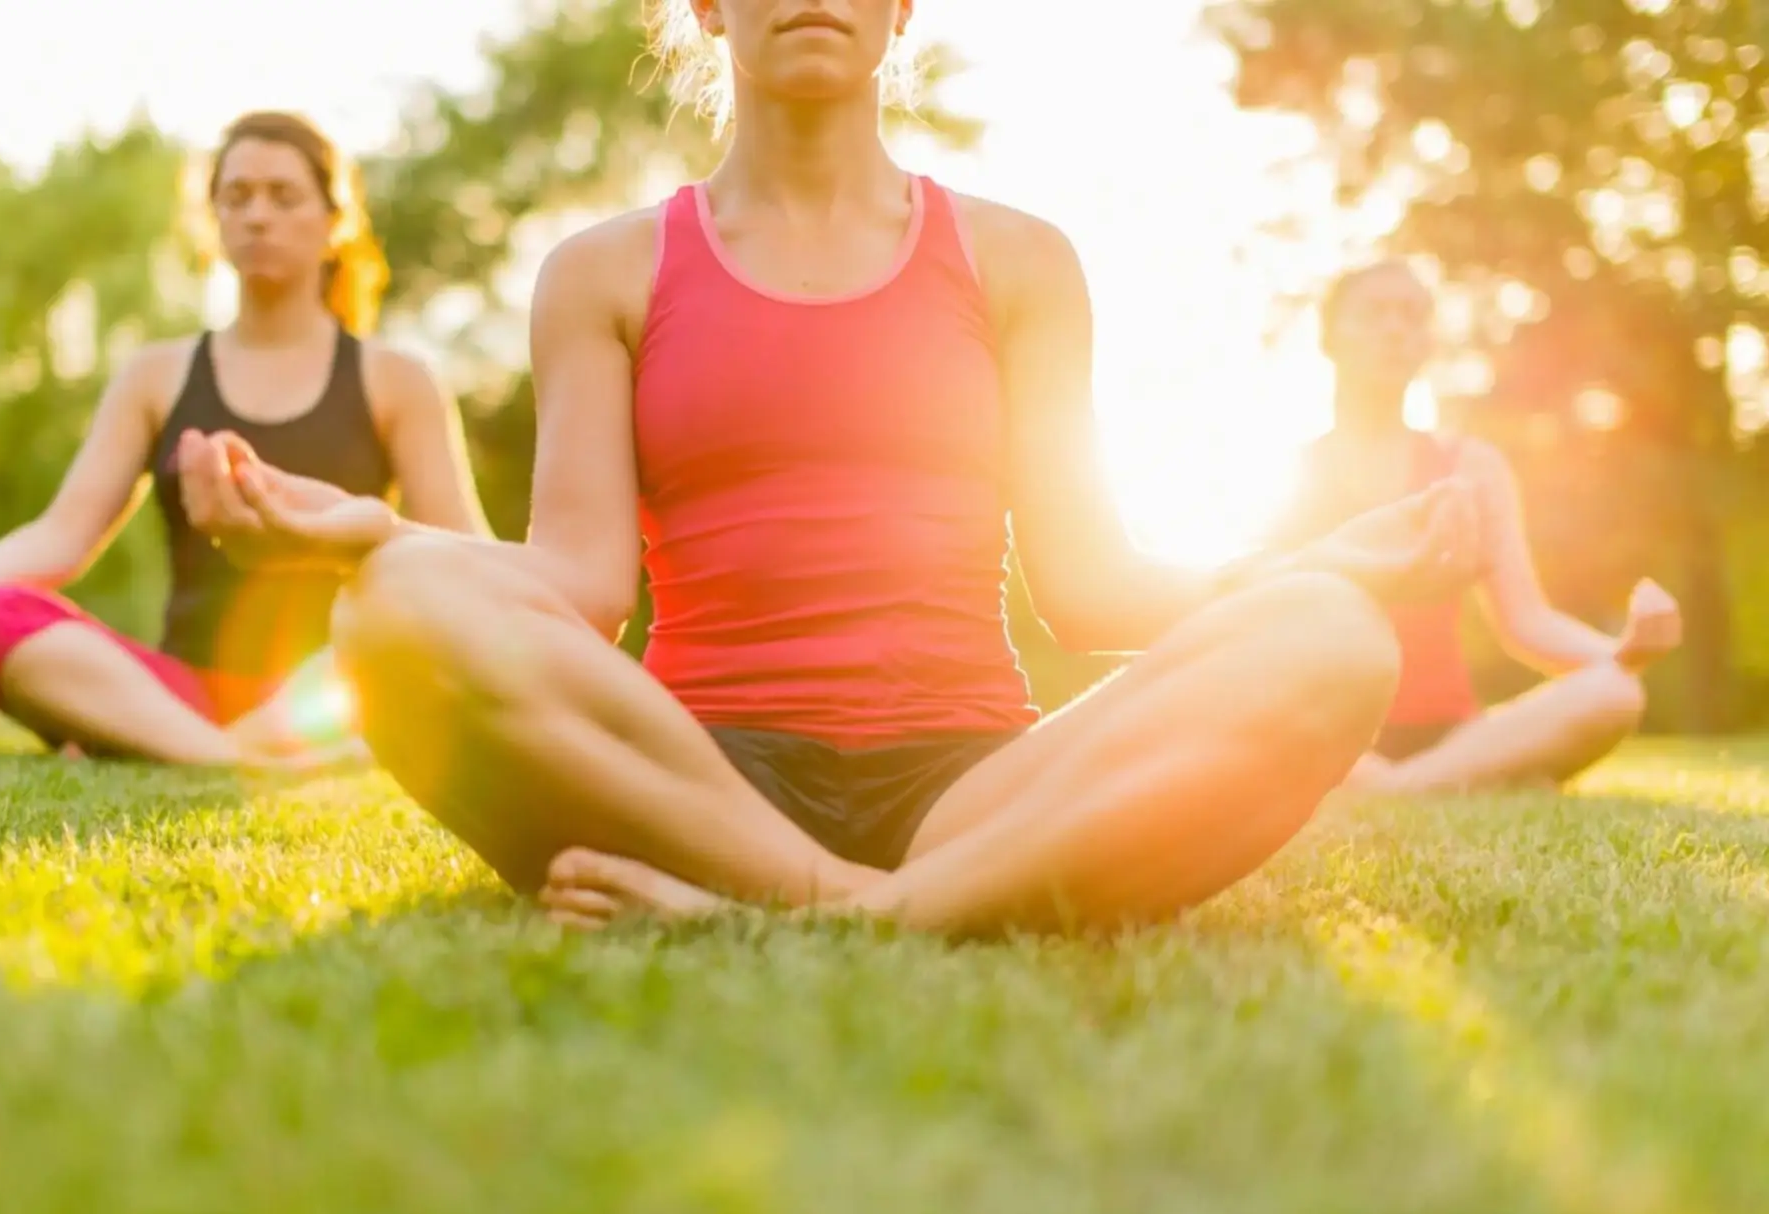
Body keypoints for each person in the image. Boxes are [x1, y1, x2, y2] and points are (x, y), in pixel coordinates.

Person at [179, 1, 1482, 936]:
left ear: (903, 9)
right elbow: (574, 588)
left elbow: (1094, 588)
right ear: (704, 8)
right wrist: (365, 532)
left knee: (1333, 636)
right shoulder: (603, 273)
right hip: (692, 783)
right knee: (396, 606)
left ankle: (863, 911)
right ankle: (875, 909)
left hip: (973, 787)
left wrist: (1316, 562)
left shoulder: (1022, 261)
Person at [0, 110, 488, 767]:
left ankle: (164, 745)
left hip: (337, 684)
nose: (258, 215)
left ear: (333, 221)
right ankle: (232, 754)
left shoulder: (397, 380)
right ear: (214, 221)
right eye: (237, 197)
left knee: (415, 637)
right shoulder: (156, 375)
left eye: (284, 196)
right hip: (179, 693)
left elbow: (463, 556)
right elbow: (65, 533)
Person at [1271, 259, 1683, 794]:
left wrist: (1623, 652)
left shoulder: (1471, 466)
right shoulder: (1290, 474)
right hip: (1331, 729)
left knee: (1615, 694)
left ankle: (1399, 787)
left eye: (1413, 316)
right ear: (1329, 337)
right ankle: (1454, 783)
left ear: (1428, 342)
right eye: (1374, 314)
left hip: (1453, 735)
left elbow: (1527, 622)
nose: (1396, 329)